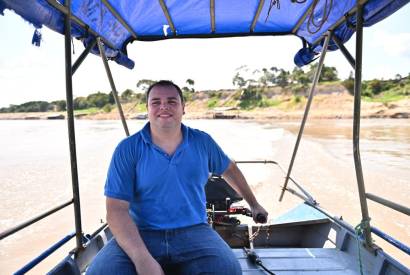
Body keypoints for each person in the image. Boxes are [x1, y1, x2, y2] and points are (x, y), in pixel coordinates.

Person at [87, 80, 268, 275]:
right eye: (155, 102)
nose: (163, 106)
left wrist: (254, 204)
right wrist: (142, 259)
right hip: (140, 232)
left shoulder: (202, 142)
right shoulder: (128, 149)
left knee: (227, 270)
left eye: (172, 101)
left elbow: (229, 169)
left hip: (194, 230)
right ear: (147, 109)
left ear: (183, 108)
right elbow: (116, 209)